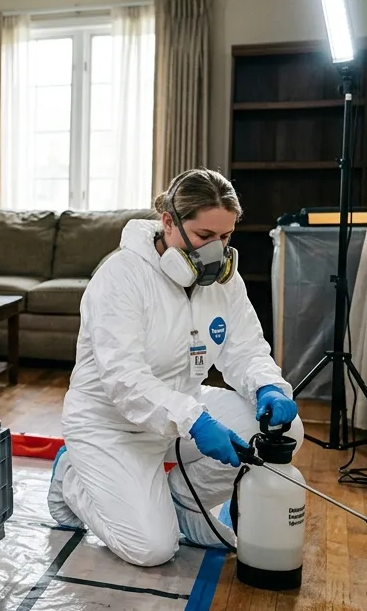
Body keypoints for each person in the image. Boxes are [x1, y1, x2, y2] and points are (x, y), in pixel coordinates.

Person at [47, 168, 303, 567]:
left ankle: (185, 498)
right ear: (168, 222)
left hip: (182, 412)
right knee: (152, 549)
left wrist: (268, 385)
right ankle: (72, 478)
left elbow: (246, 349)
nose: (216, 251)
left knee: (284, 429)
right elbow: (125, 380)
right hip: (111, 424)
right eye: (204, 236)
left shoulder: (224, 283)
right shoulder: (121, 277)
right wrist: (193, 420)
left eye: (225, 237)